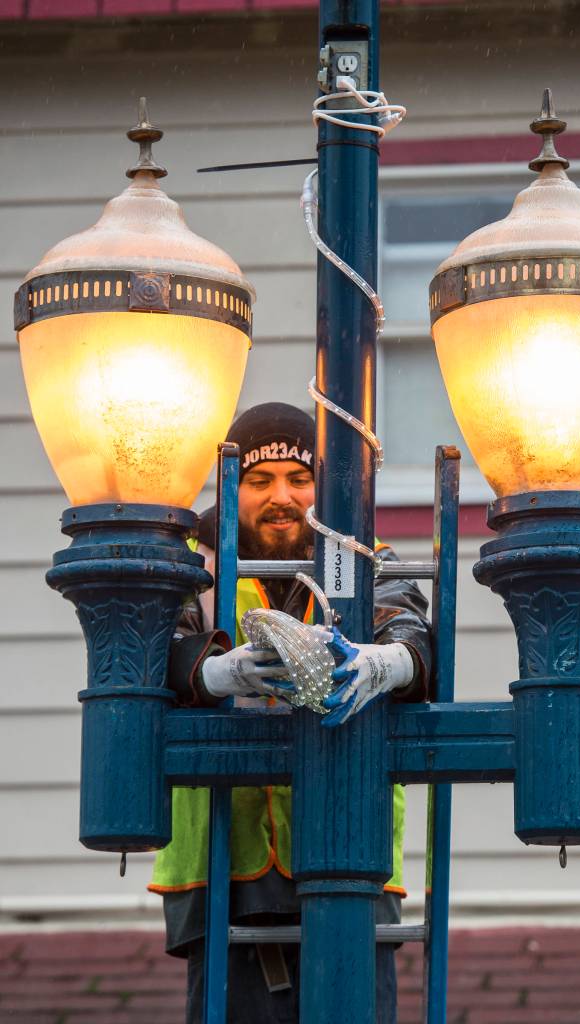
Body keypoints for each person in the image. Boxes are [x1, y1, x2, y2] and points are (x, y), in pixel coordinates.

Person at [149, 403, 432, 1024]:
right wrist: (214, 671)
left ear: (323, 485)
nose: (282, 496)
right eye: (260, 480)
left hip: (350, 847)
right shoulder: (187, 566)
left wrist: (389, 663)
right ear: (231, 486)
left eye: (299, 478)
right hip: (220, 866)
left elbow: (411, 627)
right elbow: (148, 655)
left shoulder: (361, 554)